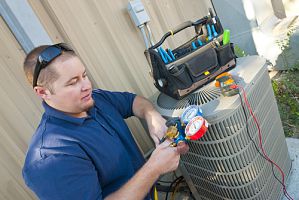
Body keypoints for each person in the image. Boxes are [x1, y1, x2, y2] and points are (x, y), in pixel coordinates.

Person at [22, 43, 188, 200]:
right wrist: (154, 168)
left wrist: (152, 117)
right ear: (43, 92)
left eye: (84, 75)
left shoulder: (96, 99)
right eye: (73, 82)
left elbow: (133, 102)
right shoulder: (50, 158)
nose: (87, 85)